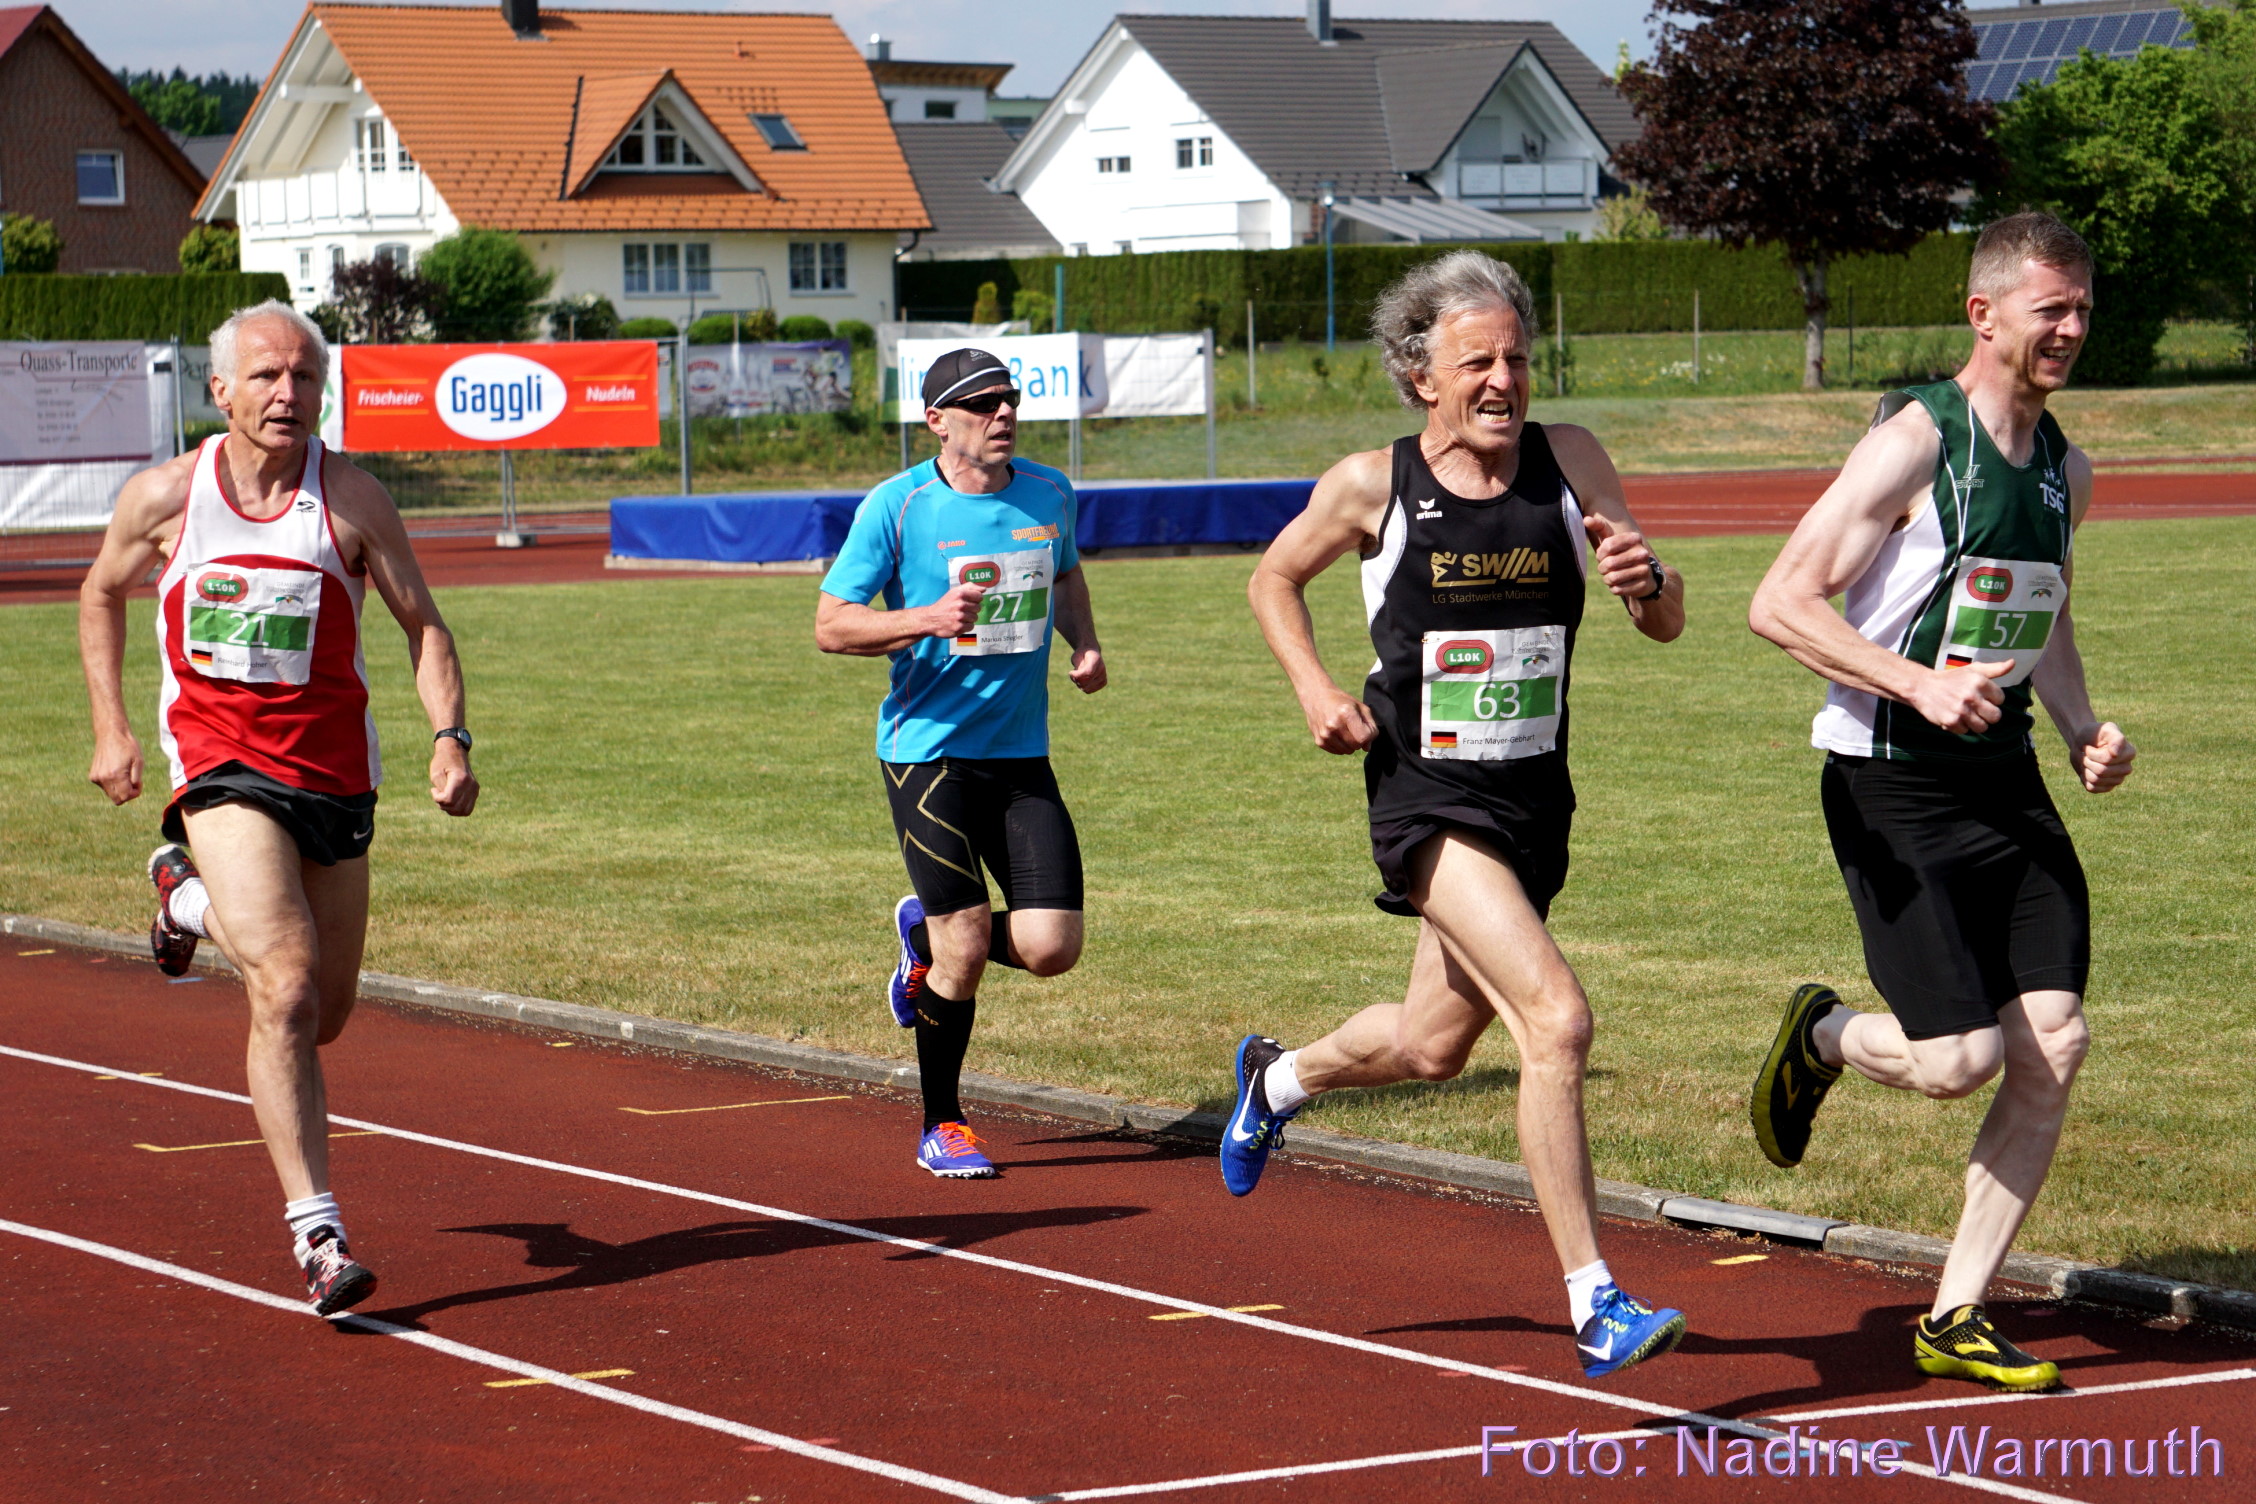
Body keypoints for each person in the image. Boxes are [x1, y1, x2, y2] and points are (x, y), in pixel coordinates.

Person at [1230, 251, 1689, 1379]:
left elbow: (1665, 620)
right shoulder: (1370, 485)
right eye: (1476, 361)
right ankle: (1595, 1299)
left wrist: (1647, 579)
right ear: (1419, 375)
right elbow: (1272, 579)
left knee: (1432, 1048)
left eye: (1517, 359)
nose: (1502, 380)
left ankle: (1276, 1081)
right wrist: (1315, 689)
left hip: (1534, 796)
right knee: (1557, 1021)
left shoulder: (1573, 460)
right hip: (1425, 797)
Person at [1747, 212, 2133, 1393]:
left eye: (2081, 308)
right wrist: (1915, 683)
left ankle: (1956, 1313)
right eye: (2050, 309)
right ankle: (1822, 1034)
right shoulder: (1915, 443)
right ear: (1984, 313)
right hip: (1889, 782)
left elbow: (2042, 611)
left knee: (2053, 1041)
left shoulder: (2066, 469)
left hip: (2003, 781)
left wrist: (2081, 725)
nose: (2070, 329)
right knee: (1958, 1057)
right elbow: (1780, 601)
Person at [80, 299, 478, 1315]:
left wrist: (450, 738)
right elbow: (100, 592)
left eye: (304, 376)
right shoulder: (167, 497)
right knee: (288, 987)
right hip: (218, 766)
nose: (286, 393)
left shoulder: (352, 499)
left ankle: (183, 900)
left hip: (333, 776)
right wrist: (113, 728)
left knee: (326, 1015)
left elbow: (425, 627)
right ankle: (319, 1234)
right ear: (220, 390)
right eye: (264, 375)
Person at [815, 348, 1105, 1179]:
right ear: (937, 421)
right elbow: (832, 625)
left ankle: (922, 936)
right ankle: (943, 1124)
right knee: (969, 943)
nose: (1003, 414)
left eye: (1009, 399)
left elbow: (1066, 575)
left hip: (1019, 753)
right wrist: (927, 617)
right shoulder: (898, 506)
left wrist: (1084, 643)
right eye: (981, 404)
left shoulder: (1049, 493)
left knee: (1052, 946)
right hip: (926, 753)